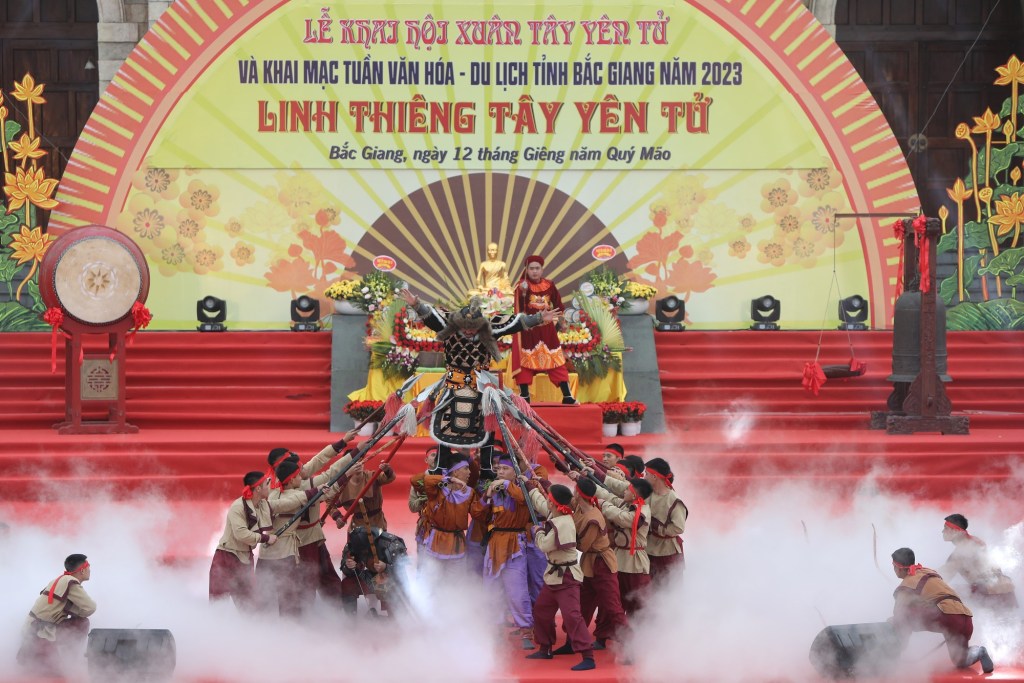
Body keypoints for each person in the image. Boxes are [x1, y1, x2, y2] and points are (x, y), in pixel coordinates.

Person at [398, 287, 558, 474]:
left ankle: (486, 468)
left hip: (481, 386)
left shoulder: (489, 329)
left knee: (487, 425)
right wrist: (416, 304)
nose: (467, 331)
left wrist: (538, 318)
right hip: (453, 384)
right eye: (464, 326)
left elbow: (515, 323)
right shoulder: (447, 326)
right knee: (444, 424)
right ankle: (441, 466)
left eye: (472, 327)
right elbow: (431, 316)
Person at [524, 483, 596, 671]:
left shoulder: (563, 523)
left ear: (553, 502)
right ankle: (545, 648)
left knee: (572, 616)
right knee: (542, 610)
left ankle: (588, 656)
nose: (546, 501)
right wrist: (530, 488)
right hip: (554, 575)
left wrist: (537, 532)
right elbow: (540, 504)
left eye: (549, 499)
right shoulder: (556, 516)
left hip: (567, 577)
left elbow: (544, 545)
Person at [890, 547, 994, 673]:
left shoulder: (907, 583)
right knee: (960, 660)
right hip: (965, 616)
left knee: (902, 616)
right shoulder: (928, 571)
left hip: (946, 615)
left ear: (899, 568)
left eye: (893, 566)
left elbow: (899, 613)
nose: (893, 570)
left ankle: (893, 656)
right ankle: (979, 651)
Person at [471, 455, 536, 649]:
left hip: (515, 544)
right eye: (498, 469)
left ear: (515, 472)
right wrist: (486, 496)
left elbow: (524, 500)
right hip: (494, 545)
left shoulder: (524, 487)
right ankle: (495, 629)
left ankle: (526, 630)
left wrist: (507, 485)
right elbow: (477, 514)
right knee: (491, 589)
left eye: (504, 469)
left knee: (518, 591)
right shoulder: (493, 490)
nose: (499, 472)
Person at [567, 477, 628, 652]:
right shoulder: (581, 506)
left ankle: (631, 644)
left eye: (575, 489)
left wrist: (562, 537)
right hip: (590, 562)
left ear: (578, 494)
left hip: (602, 564)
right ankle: (573, 641)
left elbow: (583, 546)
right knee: (583, 604)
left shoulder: (593, 518)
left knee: (613, 607)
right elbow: (563, 499)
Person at [17, 554, 96, 677]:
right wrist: (77, 611)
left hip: (41, 629)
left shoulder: (61, 580)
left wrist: (74, 611)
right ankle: (38, 656)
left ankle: (67, 658)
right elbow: (90, 607)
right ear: (82, 570)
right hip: (39, 633)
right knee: (55, 676)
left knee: (81, 622)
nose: (90, 570)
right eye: (88, 567)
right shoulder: (70, 582)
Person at [513, 255, 576, 405]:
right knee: (525, 362)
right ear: (526, 270)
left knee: (556, 361)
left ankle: (567, 396)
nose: (534, 271)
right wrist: (522, 293)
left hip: (548, 332)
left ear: (542, 269)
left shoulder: (550, 285)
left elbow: (559, 305)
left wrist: (557, 322)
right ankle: (524, 396)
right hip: (528, 331)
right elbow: (518, 309)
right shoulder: (521, 286)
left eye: (537, 268)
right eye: (531, 268)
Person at [209, 471, 276, 609]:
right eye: (266, 484)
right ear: (258, 489)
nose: (270, 486)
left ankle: (249, 624)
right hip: (227, 557)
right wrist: (266, 538)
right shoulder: (237, 507)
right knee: (218, 603)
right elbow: (241, 534)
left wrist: (310, 493)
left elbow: (283, 504)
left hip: (245, 557)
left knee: (248, 604)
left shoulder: (262, 504)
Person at [938, 513, 1018, 611]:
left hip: (992, 596)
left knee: (950, 595)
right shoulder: (975, 541)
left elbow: (942, 577)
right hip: (1004, 592)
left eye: (946, 528)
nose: (943, 531)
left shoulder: (960, 554)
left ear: (955, 531)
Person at [599, 478, 653, 616]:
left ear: (634, 494)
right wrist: (584, 480)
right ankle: (609, 629)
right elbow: (609, 496)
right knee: (613, 599)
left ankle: (638, 629)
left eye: (627, 489)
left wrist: (604, 504)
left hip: (635, 562)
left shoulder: (642, 511)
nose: (624, 491)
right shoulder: (627, 504)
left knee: (638, 603)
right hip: (620, 557)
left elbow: (622, 517)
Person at [417, 458, 479, 576]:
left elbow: (477, 514)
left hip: (457, 543)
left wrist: (486, 499)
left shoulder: (470, 492)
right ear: (455, 472)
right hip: (437, 541)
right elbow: (416, 480)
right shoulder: (438, 489)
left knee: (455, 581)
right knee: (432, 579)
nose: (469, 472)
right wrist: (449, 479)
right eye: (466, 468)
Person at [644, 457, 687, 582]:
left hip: (668, 553)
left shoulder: (673, 500)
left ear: (654, 477)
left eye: (647, 474)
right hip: (649, 548)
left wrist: (657, 528)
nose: (644, 477)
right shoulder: (649, 494)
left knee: (669, 588)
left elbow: (678, 527)